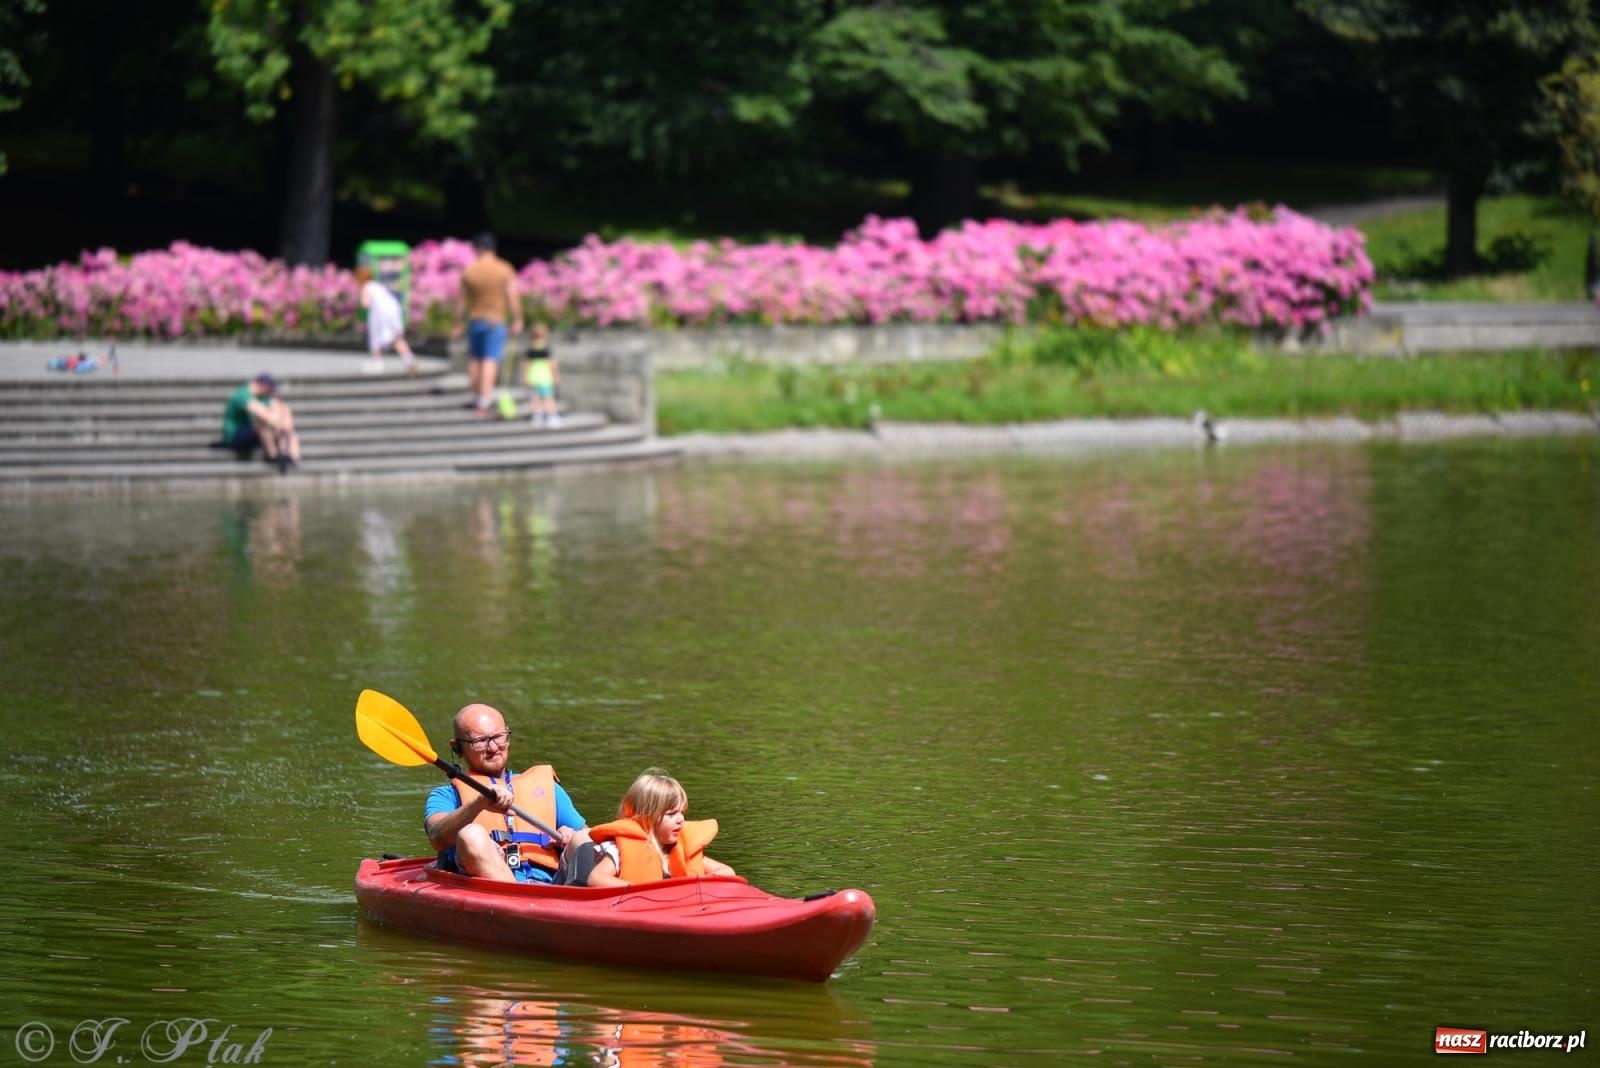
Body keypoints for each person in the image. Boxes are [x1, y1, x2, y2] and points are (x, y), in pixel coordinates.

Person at [423, 703, 594, 884]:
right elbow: (436, 837)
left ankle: (588, 896)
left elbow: (594, 843)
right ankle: (517, 896)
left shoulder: (548, 788)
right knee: (471, 835)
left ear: (507, 736)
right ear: (457, 748)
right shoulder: (446, 795)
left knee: (584, 838)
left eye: (498, 737)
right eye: (480, 741)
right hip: (495, 887)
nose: (493, 748)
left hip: (553, 883)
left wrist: (569, 834)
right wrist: (479, 803)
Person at [580, 770, 736, 887]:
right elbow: (596, 879)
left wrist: (698, 883)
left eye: (682, 812)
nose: (680, 819)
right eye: (671, 814)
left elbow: (727, 871)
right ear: (645, 817)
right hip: (635, 908)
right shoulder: (618, 850)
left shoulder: (683, 849)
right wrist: (640, 891)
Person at [452, 232, 523, 416]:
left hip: (475, 320)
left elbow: (461, 301)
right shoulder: (504, 269)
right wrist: (518, 318)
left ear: (479, 248)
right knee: (490, 359)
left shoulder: (470, 270)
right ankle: (485, 398)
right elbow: (512, 296)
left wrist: (457, 322)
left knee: (475, 359)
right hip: (495, 320)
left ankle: (476, 395)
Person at [220, 373, 300, 473]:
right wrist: (281, 424)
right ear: (264, 386)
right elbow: (262, 413)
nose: (271, 392)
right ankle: (273, 455)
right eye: (270, 389)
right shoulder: (242, 395)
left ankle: (291, 457)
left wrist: (285, 418)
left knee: (284, 418)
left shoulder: (262, 397)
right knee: (263, 421)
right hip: (236, 437)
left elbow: (279, 408)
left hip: (256, 433)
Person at [355, 265, 417, 376]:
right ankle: (410, 360)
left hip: (380, 315)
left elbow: (366, 304)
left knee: (376, 338)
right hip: (393, 312)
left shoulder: (367, 287)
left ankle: (377, 363)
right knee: (395, 338)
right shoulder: (377, 285)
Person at [524, 321, 561, 428]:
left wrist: (525, 376)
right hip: (545, 377)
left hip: (533, 376)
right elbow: (552, 364)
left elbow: (525, 364)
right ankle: (551, 416)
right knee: (548, 397)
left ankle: (537, 416)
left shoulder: (530, 349)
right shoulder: (546, 349)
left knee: (535, 398)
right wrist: (556, 375)